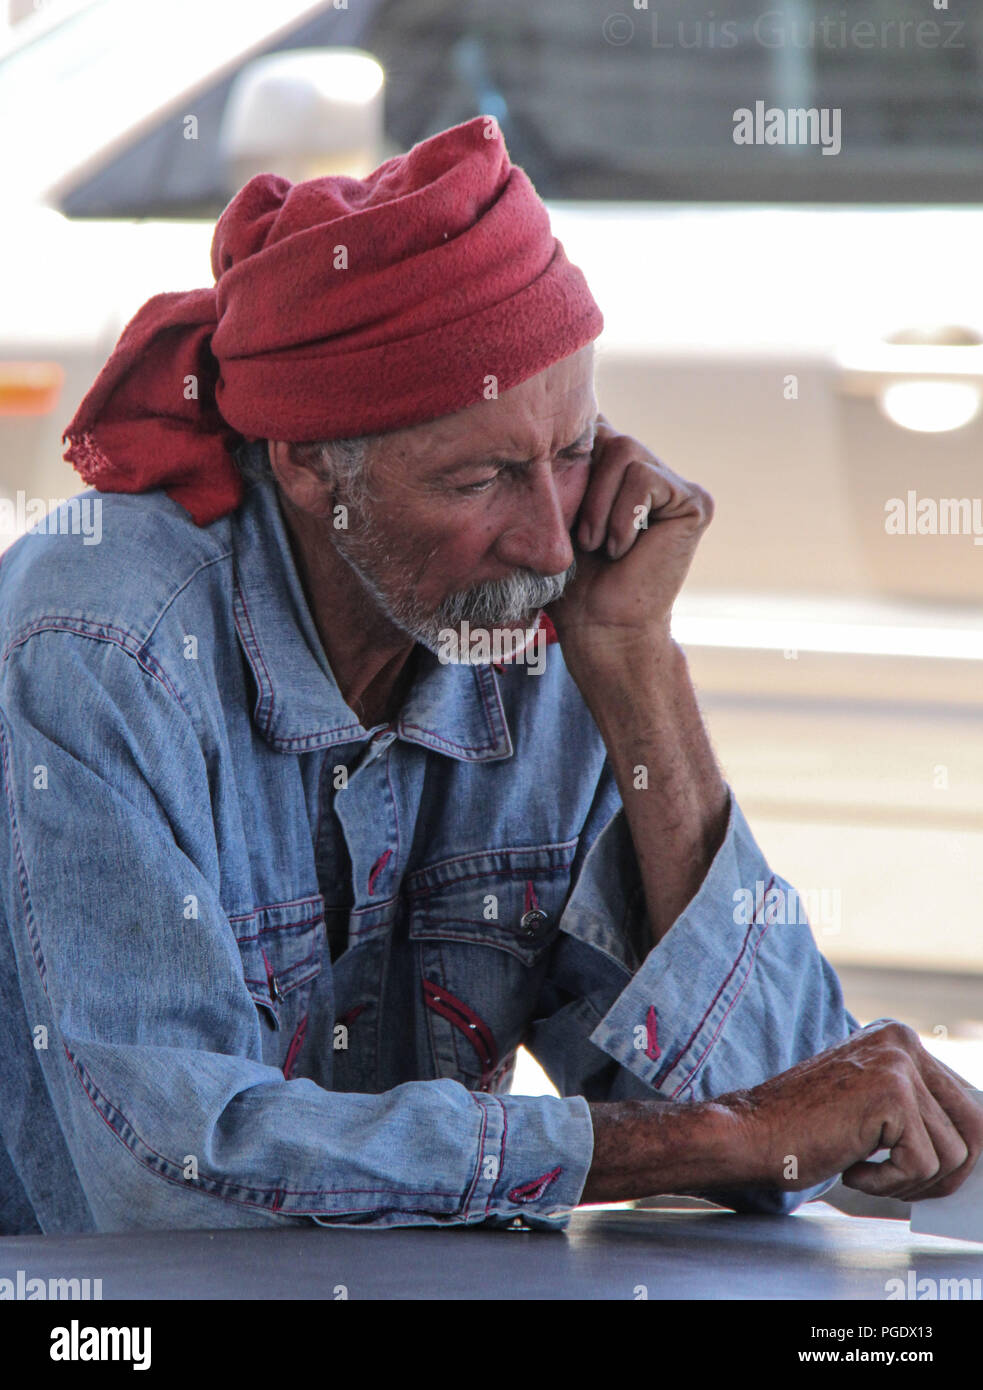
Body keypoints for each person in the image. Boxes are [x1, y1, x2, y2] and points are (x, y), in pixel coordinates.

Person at [0, 117, 978, 1236]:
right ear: (309, 463)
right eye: (481, 479)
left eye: (570, 455)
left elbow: (791, 1116)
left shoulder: (535, 629)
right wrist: (700, 1139)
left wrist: (636, 669)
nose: (552, 546)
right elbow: (172, 1171)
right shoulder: (103, 649)